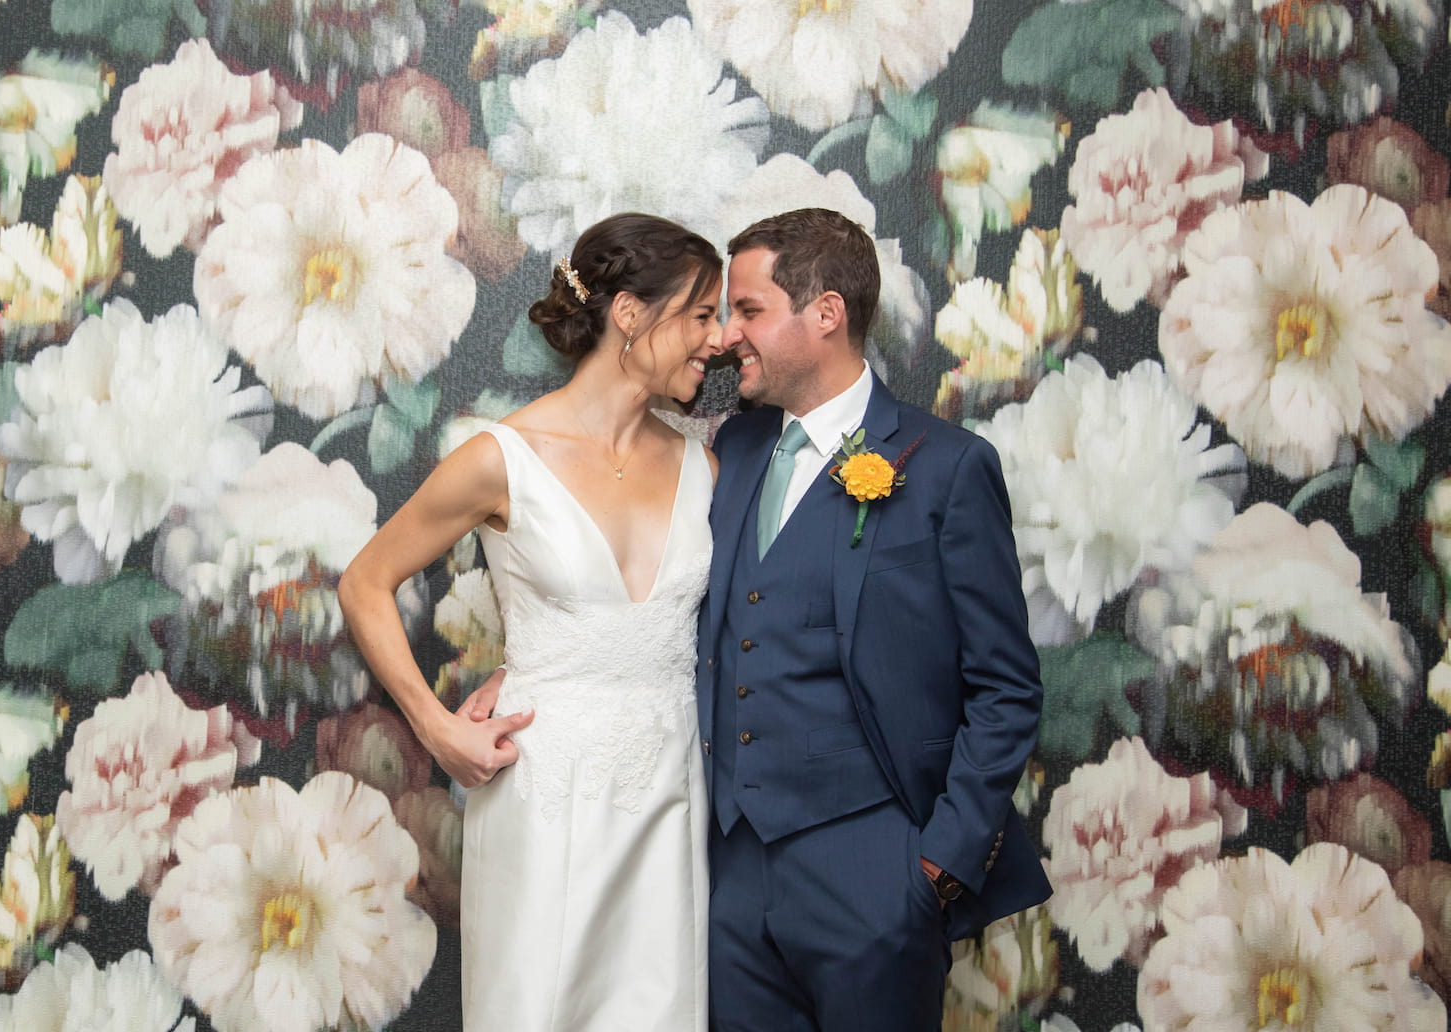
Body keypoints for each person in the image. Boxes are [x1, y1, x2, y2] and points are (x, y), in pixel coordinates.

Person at [339, 212, 726, 1031]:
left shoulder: (705, 467)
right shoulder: (500, 458)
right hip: (544, 794)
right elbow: (365, 584)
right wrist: (438, 728)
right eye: (700, 315)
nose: (717, 339)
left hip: (668, 793)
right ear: (629, 313)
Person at [695, 207, 1050, 1029]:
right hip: (734, 876)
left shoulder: (949, 469)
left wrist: (937, 867)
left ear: (826, 313)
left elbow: (1006, 687)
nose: (723, 336)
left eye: (746, 311)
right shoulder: (735, 452)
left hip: (876, 872)